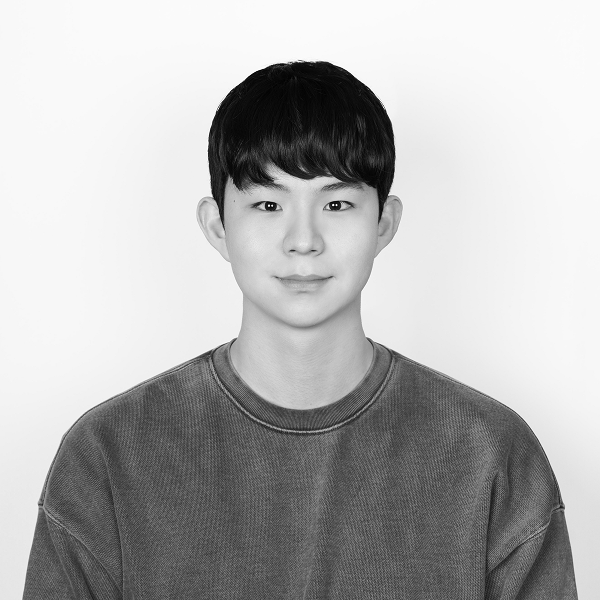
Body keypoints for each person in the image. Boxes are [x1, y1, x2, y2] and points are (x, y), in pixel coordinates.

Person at [22, 61, 577, 599]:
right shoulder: (109, 455)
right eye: (268, 203)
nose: (304, 240)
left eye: (336, 203)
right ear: (217, 225)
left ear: (384, 223)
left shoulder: (489, 453)